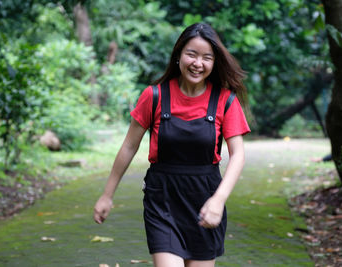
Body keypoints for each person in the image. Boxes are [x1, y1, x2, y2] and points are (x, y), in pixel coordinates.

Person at [94, 23, 250, 267]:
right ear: (178, 55)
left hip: (205, 198)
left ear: (214, 62)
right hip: (162, 200)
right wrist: (107, 195)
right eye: (192, 54)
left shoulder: (225, 101)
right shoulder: (154, 96)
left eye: (207, 57)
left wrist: (219, 200)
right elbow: (128, 146)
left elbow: (238, 155)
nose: (198, 63)